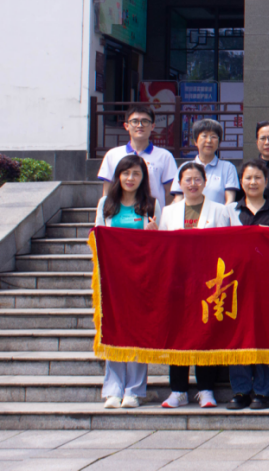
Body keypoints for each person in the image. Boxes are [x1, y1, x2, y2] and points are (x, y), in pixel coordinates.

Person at [158, 162, 233, 410]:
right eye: (187, 180)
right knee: (178, 335)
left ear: (205, 182)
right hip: (178, 283)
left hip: (208, 282)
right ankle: (178, 390)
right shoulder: (169, 212)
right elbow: (163, 247)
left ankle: (206, 389)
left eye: (197, 179)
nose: (193, 184)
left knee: (206, 333)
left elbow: (225, 245)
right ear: (179, 183)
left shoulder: (219, 210)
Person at [96, 155, 161, 410]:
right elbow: (97, 238)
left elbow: (160, 245)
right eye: (126, 173)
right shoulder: (106, 203)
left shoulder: (151, 205)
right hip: (113, 278)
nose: (130, 178)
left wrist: (154, 235)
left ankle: (134, 390)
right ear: (118, 176)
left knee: (138, 332)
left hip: (141, 279)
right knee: (113, 330)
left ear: (143, 178)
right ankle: (113, 390)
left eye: (136, 173)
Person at [223, 160, 269, 410]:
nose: (253, 182)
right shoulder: (229, 211)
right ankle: (240, 390)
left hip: (268, 282)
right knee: (238, 334)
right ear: (241, 182)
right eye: (248, 178)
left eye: (258, 177)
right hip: (236, 281)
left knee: (266, 333)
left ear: (266, 182)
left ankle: (263, 390)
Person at [97, 105, 176, 209]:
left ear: (152, 126)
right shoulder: (112, 155)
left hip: (152, 215)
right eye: (134, 121)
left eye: (145, 121)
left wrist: (160, 212)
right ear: (126, 126)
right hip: (119, 215)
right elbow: (107, 191)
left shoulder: (165, 156)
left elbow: (169, 192)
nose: (140, 125)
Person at [170, 119, 239, 205]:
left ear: (219, 142)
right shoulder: (185, 168)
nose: (209, 140)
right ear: (195, 141)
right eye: (204, 136)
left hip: (218, 213)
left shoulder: (228, 168)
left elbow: (230, 201)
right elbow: (178, 199)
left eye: (213, 137)